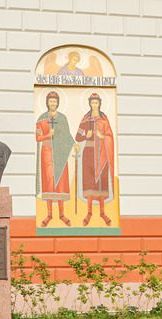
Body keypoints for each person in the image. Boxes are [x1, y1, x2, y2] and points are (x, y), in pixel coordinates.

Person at [36, 91, 76, 227]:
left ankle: (62, 215)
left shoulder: (63, 118)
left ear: (57, 103)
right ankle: (49, 215)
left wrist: (74, 144)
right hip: (47, 151)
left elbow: (67, 135)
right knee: (49, 181)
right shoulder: (41, 119)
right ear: (47, 103)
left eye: (54, 101)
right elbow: (38, 138)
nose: (52, 103)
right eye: (50, 101)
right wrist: (48, 135)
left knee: (60, 182)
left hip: (60, 152)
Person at [75, 93, 115, 226]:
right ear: (89, 104)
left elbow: (110, 136)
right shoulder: (86, 119)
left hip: (102, 154)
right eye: (92, 103)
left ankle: (103, 212)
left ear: (99, 103)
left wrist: (102, 136)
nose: (94, 105)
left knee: (101, 183)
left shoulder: (104, 119)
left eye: (96, 102)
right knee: (90, 184)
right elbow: (77, 137)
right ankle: (89, 212)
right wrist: (86, 136)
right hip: (89, 154)